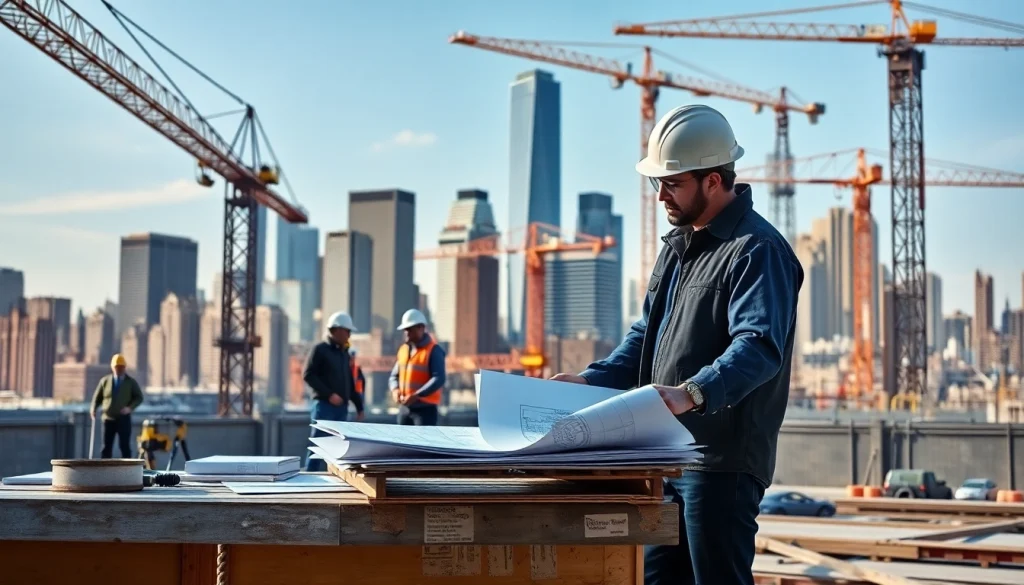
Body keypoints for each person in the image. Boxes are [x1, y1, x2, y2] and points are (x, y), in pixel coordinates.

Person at [550, 104, 804, 585]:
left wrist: (691, 393)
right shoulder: (679, 248)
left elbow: (758, 346)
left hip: (719, 463)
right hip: (663, 457)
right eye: (656, 183)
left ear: (714, 180)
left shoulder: (756, 250)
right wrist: (588, 382)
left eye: (672, 183)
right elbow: (645, 337)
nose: (661, 195)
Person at [303, 311, 365, 471]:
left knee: (339, 448)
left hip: (341, 410)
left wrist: (359, 407)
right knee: (318, 444)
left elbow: (349, 384)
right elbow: (308, 375)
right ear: (337, 330)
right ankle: (310, 479)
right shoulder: (320, 349)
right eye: (348, 331)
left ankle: (336, 480)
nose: (349, 335)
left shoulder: (343, 353)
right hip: (324, 407)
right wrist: (329, 395)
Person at [389, 308, 445, 426]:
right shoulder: (403, 350)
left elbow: (439, 378)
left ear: (421, 328)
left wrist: (417, 395)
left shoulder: (434, 350)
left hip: (425, 411)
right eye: (405, 330)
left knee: (422, 444)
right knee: (401, 444)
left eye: (410, 329)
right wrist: (395, 390)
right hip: (404, 409)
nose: (406, 333)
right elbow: (394, 376)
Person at [90, 353, 144, 459]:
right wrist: (93, 409)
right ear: (112, 367)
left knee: (124, 446)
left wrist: (129, 408)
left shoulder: (131, 382)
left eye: (120, 367)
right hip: (108, 419)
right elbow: (97, 397)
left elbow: (139, 397)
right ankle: (105, 470)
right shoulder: (105, 381)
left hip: (123, 419)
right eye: (116, 367)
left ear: (124, 367)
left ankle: (127, 471)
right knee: (106, 446)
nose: (118, 369)